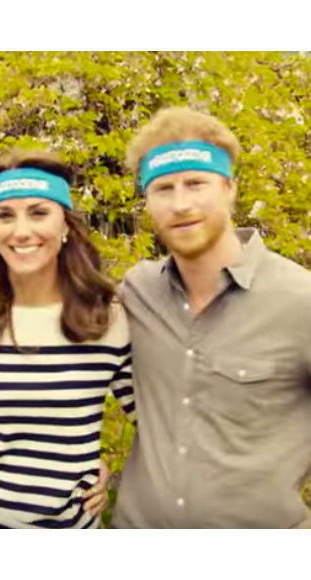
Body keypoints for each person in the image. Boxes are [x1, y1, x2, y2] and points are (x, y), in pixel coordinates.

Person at [111, 106, 311, 529]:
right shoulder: (136, 292)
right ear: (147, 202)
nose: (181, 203)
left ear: (229, 188)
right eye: (163, 188)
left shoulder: (299, 302)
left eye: (196, 183)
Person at [0, 149, 136, 529]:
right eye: (5, 215)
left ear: (65, 226)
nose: (21, 231)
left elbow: (157, 424)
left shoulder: (109, 318)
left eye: (39, 212)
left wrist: (100, 463)